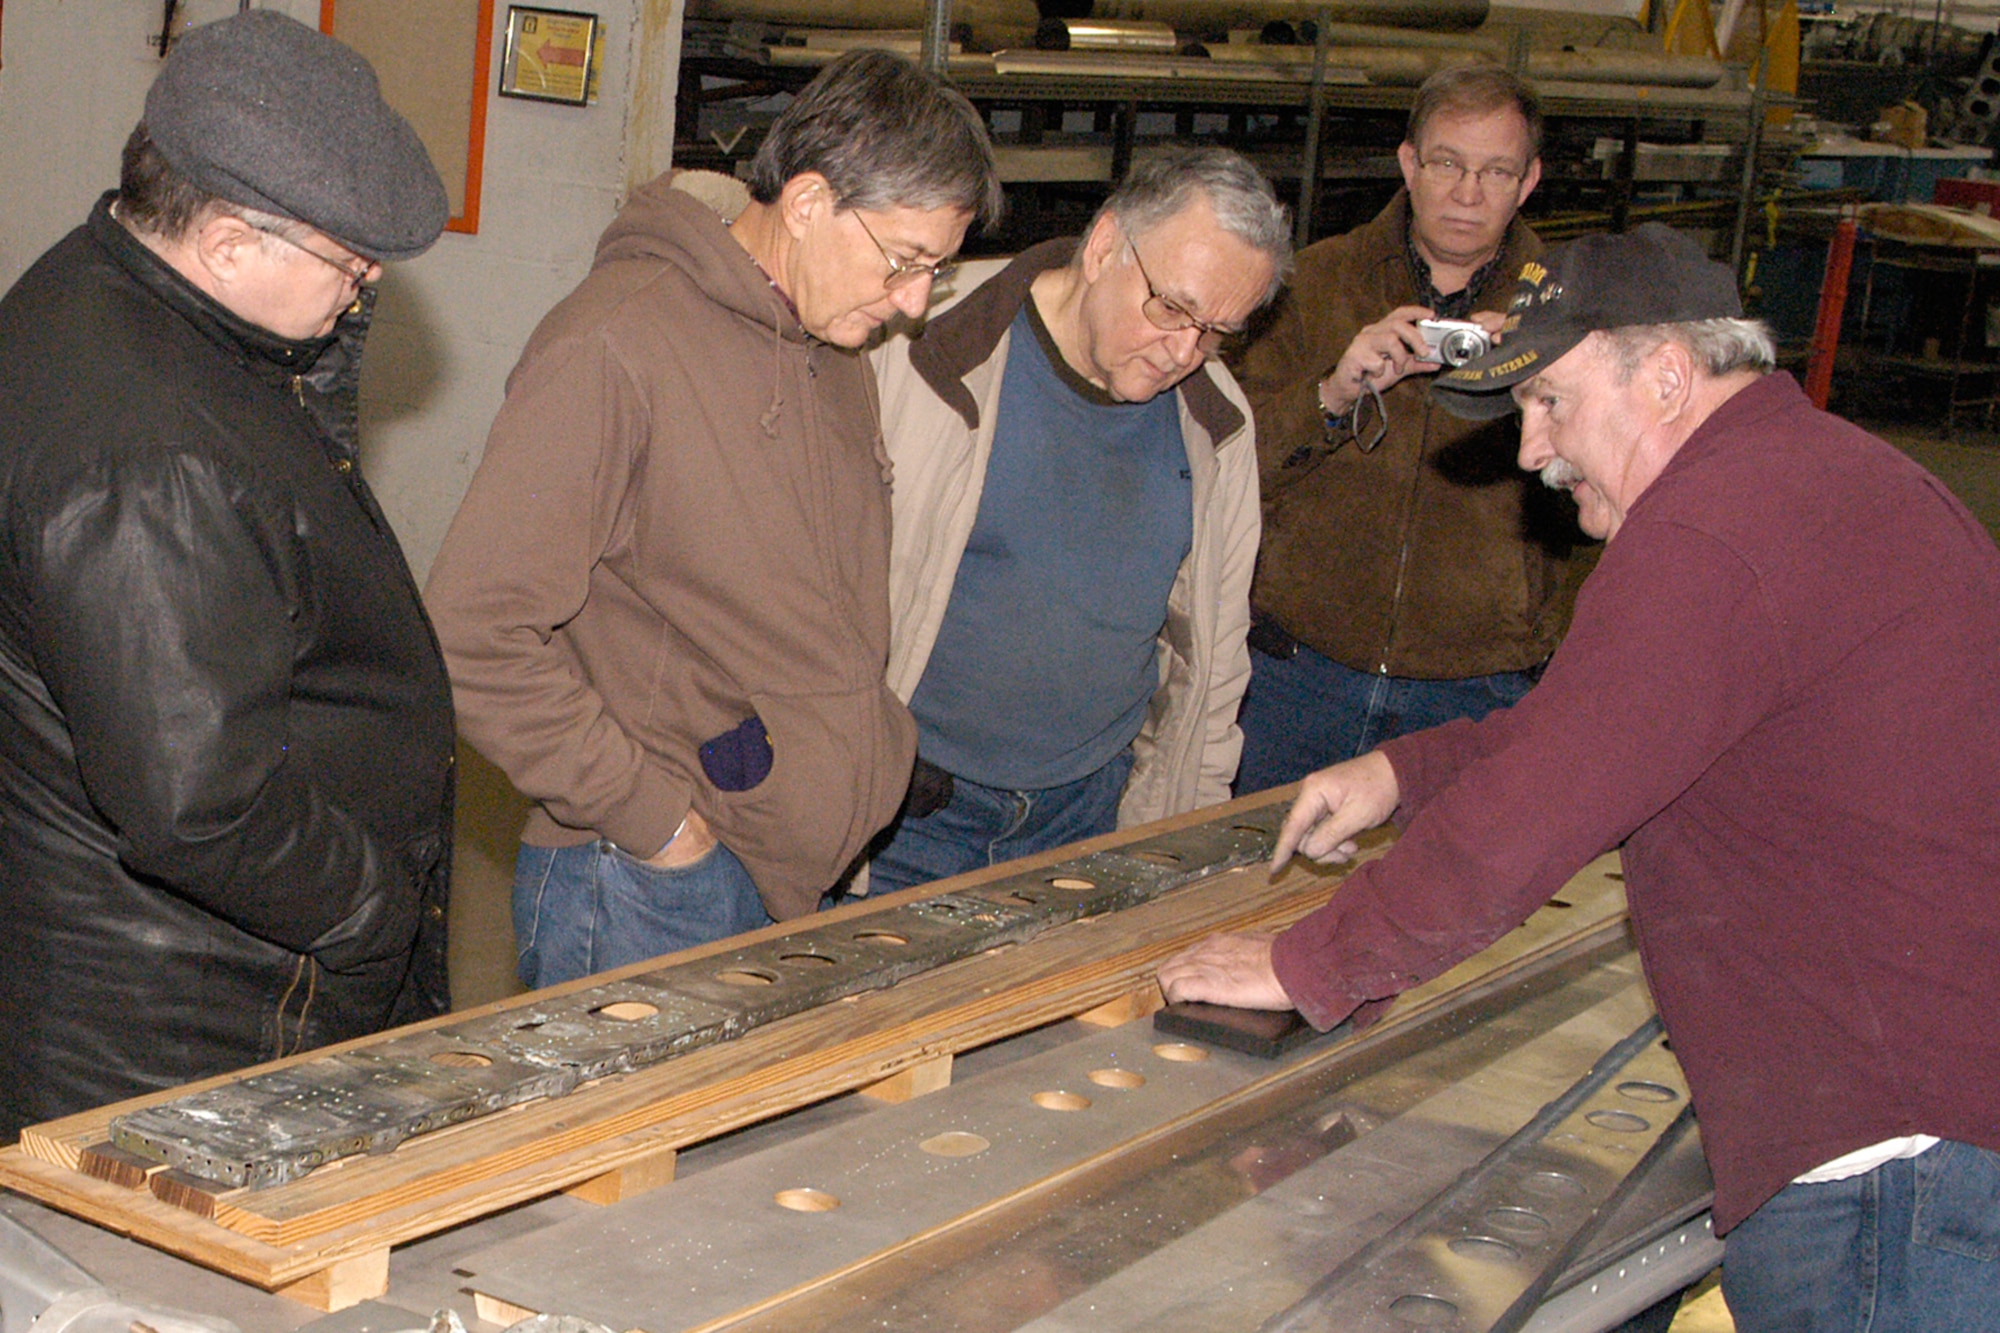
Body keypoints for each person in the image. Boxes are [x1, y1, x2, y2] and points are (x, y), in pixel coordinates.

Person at [1158, 224, 2000, 1330]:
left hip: (1887, 1161)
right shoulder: (1813, 479)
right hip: (1921, 1122)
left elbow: (1533, 816)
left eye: (1551, 402)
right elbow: (1608, 729)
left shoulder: (1711, 529)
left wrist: (1306, 962)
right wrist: (1403, 772)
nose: (1528, 451)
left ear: (1662, 377)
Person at [425, 51, 1002, 989]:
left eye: (933, 271)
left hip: (783, 869)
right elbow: (470, 628)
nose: (913, 303)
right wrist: (657, 822)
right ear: (809, 203)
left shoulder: (830, 337)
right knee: (621, 1142)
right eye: (904, 262)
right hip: (644, 885)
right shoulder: (615, 344)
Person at [0, 11, 456, 1135]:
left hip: (185, 973)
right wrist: (374, 914)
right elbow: (200, 807)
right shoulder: (145, 455)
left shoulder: (114, 293)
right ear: (226, 242)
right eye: (348, 265)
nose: (357, 294)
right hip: (196, 1018)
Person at [865, 149, 1287, 895]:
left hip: (1087, 818)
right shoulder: (920, 345)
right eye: (1172, 308)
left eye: (1219, 330)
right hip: (909, 815)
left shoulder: (1217, 426)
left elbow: (1215, 669)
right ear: (1103, 247)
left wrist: (1183, 856)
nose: (1185, 352)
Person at [1231, 64, 1586, 793]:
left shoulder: (1570, 315)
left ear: (1529, 181)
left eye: (1496, 171)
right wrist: (1333, 391)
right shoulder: (1310, 285)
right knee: (1255, 892)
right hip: (1296, 676)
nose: (1466, 192)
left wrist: (1539, 386)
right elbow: (1226, 469)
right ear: (1408, 163)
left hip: (1475, 690)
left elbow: (1609, 513)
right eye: (1447, 163)